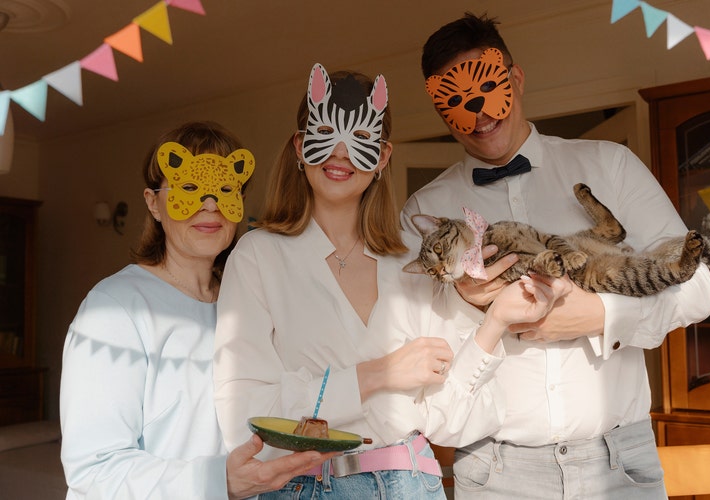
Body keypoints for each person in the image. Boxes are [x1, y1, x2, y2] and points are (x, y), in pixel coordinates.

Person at [213, 64, 569, 499]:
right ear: (300, 146)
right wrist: (377, 375)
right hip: (306, 488)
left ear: (382, 158)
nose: (341, 153)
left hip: (413, 483)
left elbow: (453, 419)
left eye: (361, 139)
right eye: (326, 133)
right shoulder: (258, 256)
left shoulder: (411, 259)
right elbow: (244, 413)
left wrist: (493, 324)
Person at [401, 13, 710, 500]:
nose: (480, 116)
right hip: (494, 472)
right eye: (456, 105)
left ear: (516, 78)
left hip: (619, 463)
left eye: (488, 91)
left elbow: (698, 290)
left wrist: (601, 315)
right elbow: (422, 355)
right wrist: (464, 300)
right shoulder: (424, 214)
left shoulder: (609, 164)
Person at [59, 121, 337, 500]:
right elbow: (94, 468)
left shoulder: (253, 304)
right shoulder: (114, 309)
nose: (210, 205)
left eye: (225, 190)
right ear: (153, 203)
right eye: (190, 188)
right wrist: (218, 481)